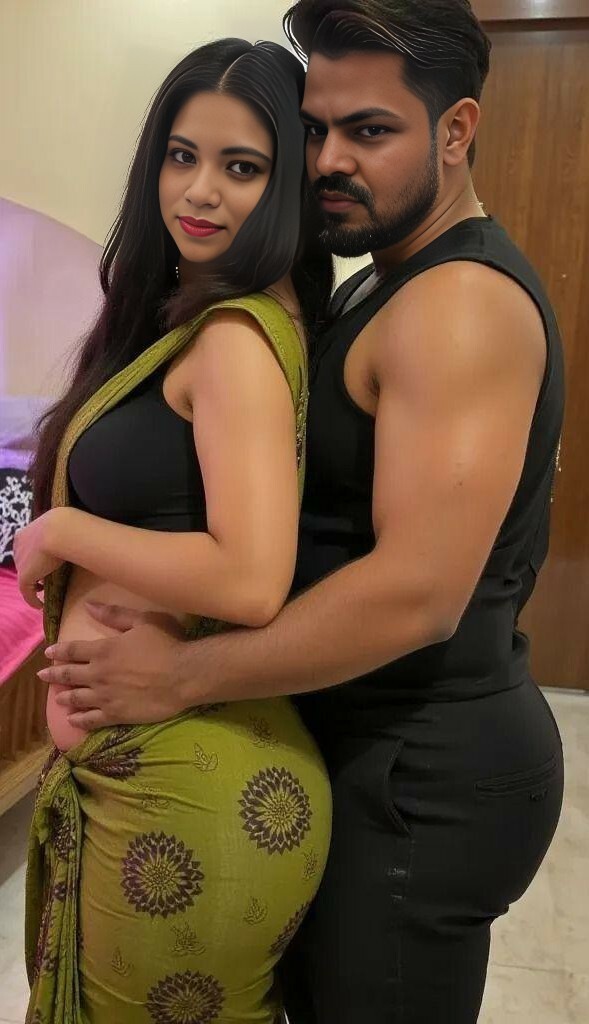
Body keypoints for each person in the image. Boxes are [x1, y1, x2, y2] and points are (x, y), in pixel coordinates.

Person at [37, 1, 566, 1021]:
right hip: (360, 743)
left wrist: (182, 674)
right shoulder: (379, 285)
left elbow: (417, 595)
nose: (326, 160)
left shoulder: (456, 304)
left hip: (420, 773)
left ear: (455, 131)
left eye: (368, 131)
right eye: (315, 129)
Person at [14, 37, 333, 1024]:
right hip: (147, 779)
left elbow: (249, 578)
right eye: (182, 155)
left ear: (286, 185)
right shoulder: (196, 315)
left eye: (242, 167)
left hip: (188, 795)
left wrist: (65, 528)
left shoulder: (234, 339)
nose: (200, 191)